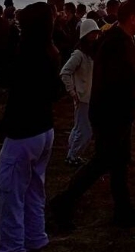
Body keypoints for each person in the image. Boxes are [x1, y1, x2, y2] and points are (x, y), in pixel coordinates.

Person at [50, 0, 135, 229]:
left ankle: (123, 210)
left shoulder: (123, 39)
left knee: (119, 162)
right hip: (110, 112)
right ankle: (63, 202)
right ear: (133, 17)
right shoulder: (116, 41)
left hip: (116, 111)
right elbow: (116, 79)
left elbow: (126, 72)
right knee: (103, 161)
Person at [0, 2, 64, 252]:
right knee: (34, 190)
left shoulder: (27, 54)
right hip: (44, 129)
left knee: (10, 195)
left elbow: (9, 82)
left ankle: (11, 247)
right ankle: (36, 238)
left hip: (23, 131)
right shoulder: (51, 51)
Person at [60, 19, 100, 166]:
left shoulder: (91, 54)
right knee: (86, 130)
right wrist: (72, 91)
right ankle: (72, 155)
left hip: (89, 96)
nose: (95, 36)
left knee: (79, 128)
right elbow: (65, 72)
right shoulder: (79, 54)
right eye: (92, 33)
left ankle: (72, 154)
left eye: (96, 33)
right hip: (83, 97)